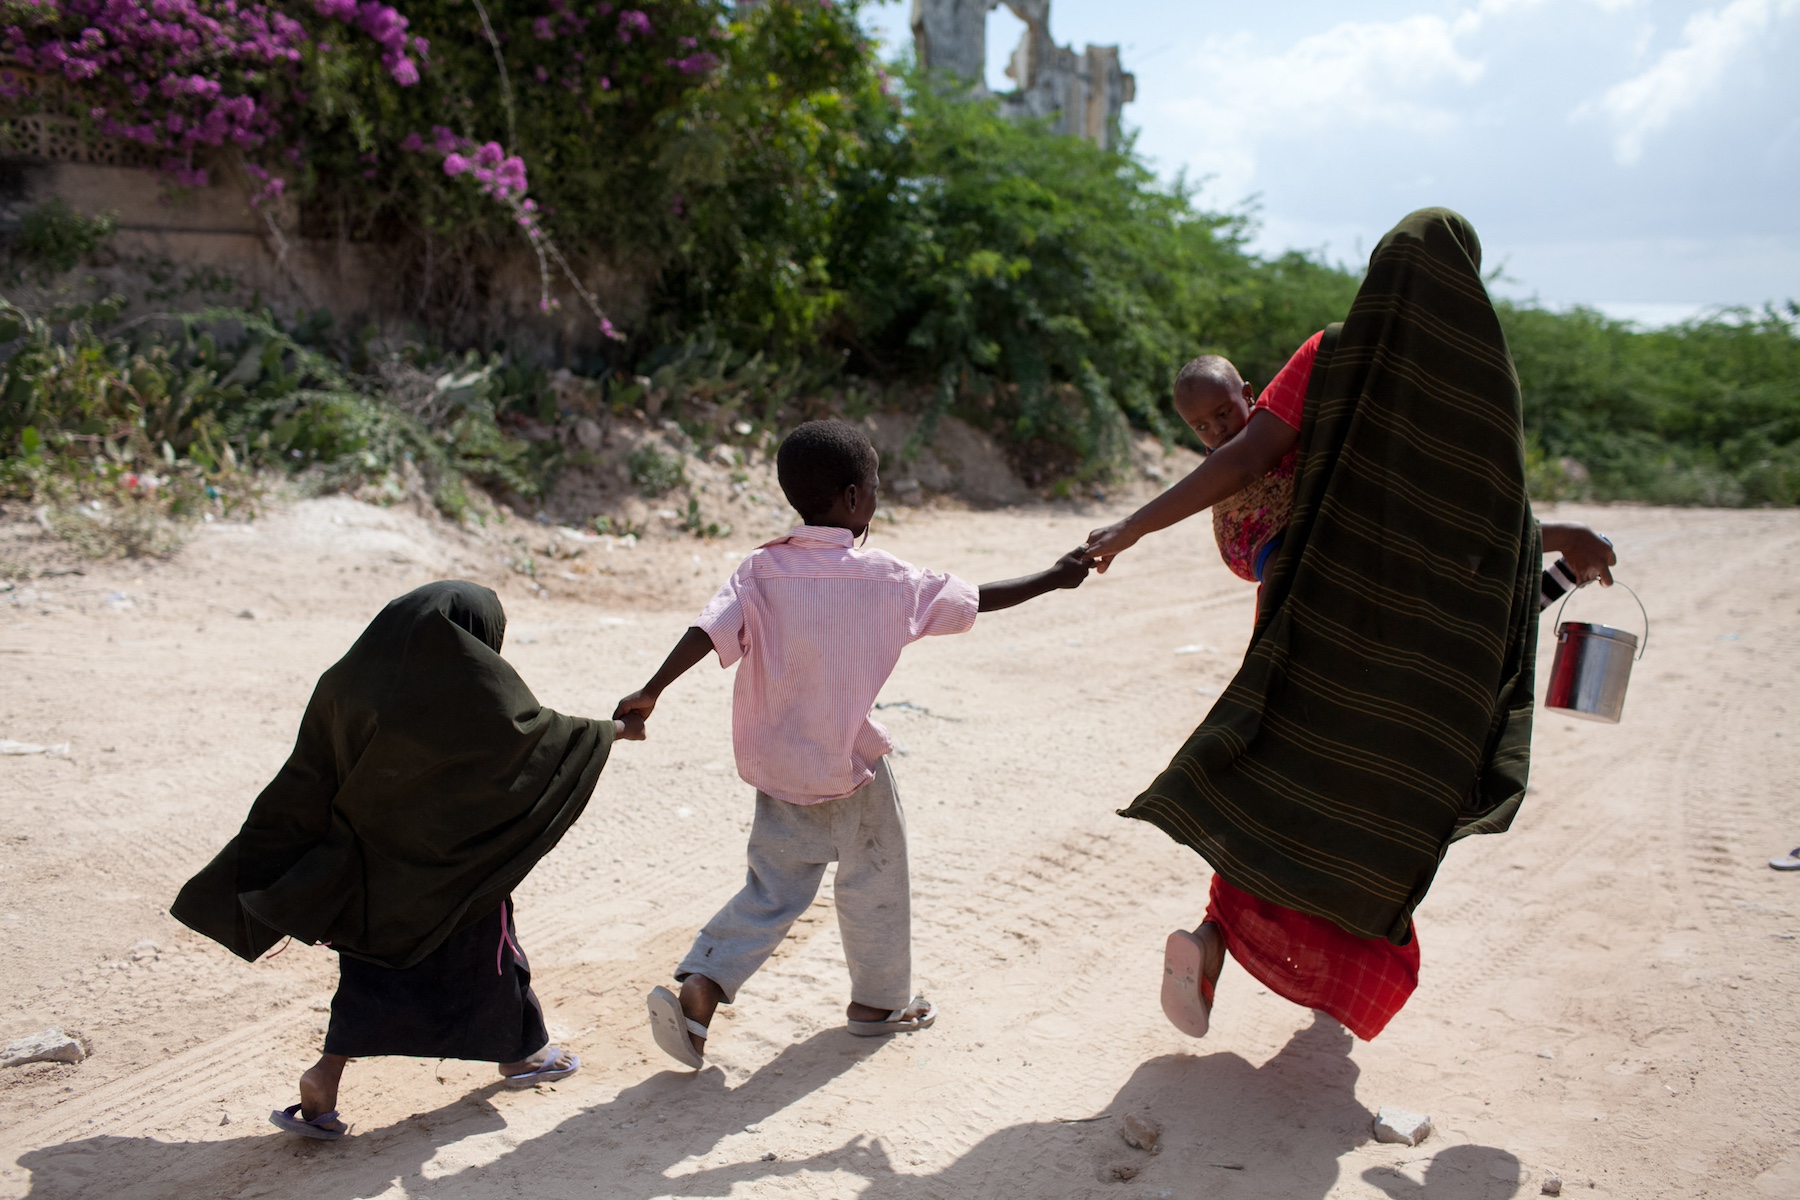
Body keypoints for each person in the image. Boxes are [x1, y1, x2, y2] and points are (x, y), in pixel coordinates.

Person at [1084, 208, 1616, 1042]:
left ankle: (1218, 935)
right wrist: (1562, 543)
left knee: (1283, 773)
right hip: (1421, 647)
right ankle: (1335, 976)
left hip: (1317, 622)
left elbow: (1248, 457)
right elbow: (1478, 528)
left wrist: (1133, 526)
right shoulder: (1482, 384)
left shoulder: (1332, 353)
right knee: (1383, 800)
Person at [615, 419, 1091, 1069]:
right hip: (845, 764)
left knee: (773, 886)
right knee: (875, 875)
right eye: (874, 485)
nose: (876, 496)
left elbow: (708, 630)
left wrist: (652, 690)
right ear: (852, 497)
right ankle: (878, 1003)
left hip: (777, 764)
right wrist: (1053, 577)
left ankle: (704, 984)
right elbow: (976, 599)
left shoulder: (760, 570)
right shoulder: (885, 577)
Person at [171, 581, 644, 1140]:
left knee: (372, 972)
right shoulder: (464, 685)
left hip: (366, 868)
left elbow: (313, 770)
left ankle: (326, 1075)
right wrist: (614, 729)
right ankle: (524, 1055)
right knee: (493, 955)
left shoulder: (347, 680)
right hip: (450, 865)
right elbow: (527, 739)